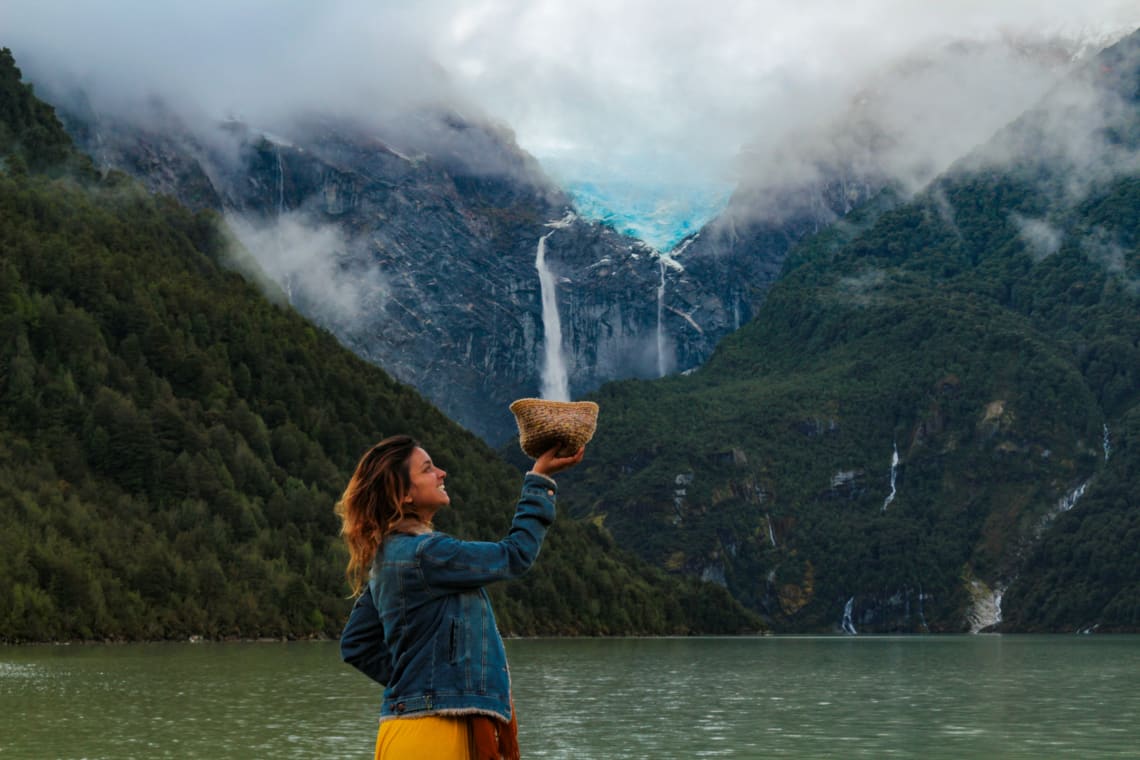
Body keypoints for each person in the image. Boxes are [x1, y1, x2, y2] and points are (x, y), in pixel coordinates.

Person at [336, 434, 585, 760]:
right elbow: (515, 555)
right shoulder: (427, 553)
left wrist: (419, 682)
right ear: (404, 494)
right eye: (427, 469)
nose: (442, 473)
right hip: (437, 736)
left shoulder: (387, 559)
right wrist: (540, 480)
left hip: (401, 733)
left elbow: (356, 644)